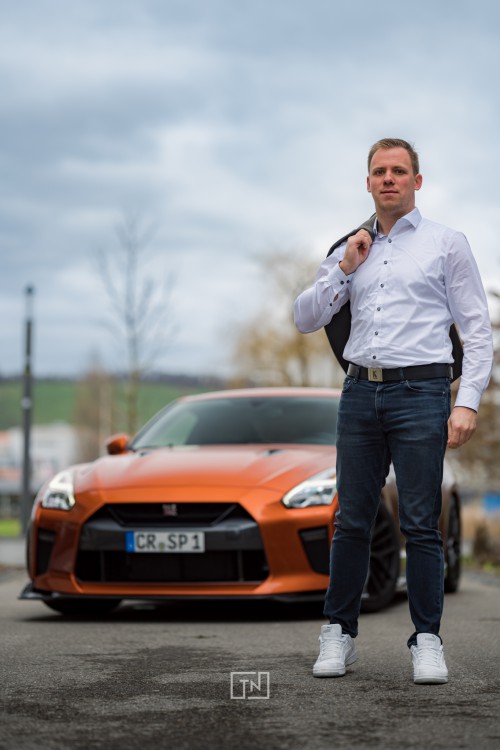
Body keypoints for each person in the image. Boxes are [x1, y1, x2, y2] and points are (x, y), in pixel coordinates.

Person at [293, 138, 493, 685]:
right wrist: (344, 268)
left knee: (421, 523)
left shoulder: (447, 244)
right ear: (368, 182)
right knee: (351, 520)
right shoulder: (348, 247)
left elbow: (478, 331)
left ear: (416, 181)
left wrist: (467, 402)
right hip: (359, 393)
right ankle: (339, 633)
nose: (389, 179)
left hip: (423, 394)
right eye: (379, 171)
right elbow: (305, 318)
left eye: (399, 171)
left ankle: (427, 640)